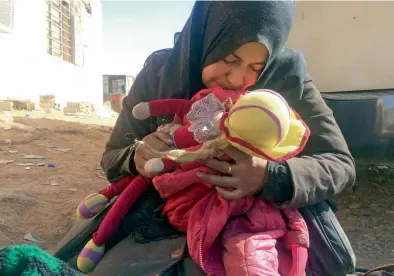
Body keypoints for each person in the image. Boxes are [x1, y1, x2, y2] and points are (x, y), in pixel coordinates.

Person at [58, 1, 357, 275]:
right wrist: (136, 156)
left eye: (256, 68)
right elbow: (113, 157)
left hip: (259, 228)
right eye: (229, 58)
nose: (238, 79)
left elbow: (339, 163)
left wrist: (272, 176)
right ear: (208, 35)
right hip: (162, 219)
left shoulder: (287, 74)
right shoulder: (161, 73)